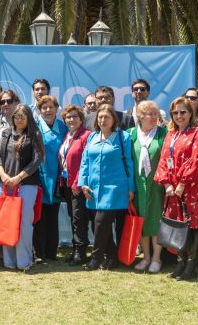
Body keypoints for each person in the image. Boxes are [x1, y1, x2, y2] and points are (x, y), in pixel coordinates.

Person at [154, 97, 198, 280]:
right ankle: (180, 263)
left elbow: (196, 159)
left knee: (193, 226)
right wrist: (168, 184)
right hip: (172, 190)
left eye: (183, 112)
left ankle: (191, 266)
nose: (179, 116)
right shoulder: (170, 134)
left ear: (190, 113)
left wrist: (183, 183)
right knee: (177, 226)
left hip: (191, 188)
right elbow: (163, 161)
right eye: (175, 113)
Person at [78, 104, 135, 270]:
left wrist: (130, 188)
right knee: (101, 224)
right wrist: (83, 184)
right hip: (94, 188)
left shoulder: (122, 137)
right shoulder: (91, 137)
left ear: (113, 120)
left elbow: (129, 164)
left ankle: (95, 258)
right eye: (100, 117)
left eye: (107, 117)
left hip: (115, 188)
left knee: (100, 222)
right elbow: (85, 162)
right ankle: (112, 257)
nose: (103, 120)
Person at [0, 104, 44, 271]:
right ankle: (9, 261)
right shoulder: (6, 133)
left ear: (28, 117)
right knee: (7, 222)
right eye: (17, 116)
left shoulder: (34, 135)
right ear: (12, 118)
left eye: (23, 116)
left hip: (26, 186)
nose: (19, 119)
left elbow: (36, 161)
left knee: (23, 224)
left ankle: (24, 261)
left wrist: (18, 177)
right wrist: (4, 176)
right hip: (5, 185)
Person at [129, 100, 166, 272]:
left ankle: (157, 259)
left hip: (157, 185)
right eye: (149, 114)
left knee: (156, 221)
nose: (153, 117)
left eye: (155, 114)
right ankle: (146, 257)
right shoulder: (130, 135)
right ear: (140, 116)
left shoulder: (163, 134)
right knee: (141, 221)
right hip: (137, 186)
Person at [33, 95, 67, 262]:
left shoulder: (64, 127)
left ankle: (51, 252)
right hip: (39, 176)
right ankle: (38, 253)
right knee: (38, 217)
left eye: (51, 107)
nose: (47, 110)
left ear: (56, 108)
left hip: (57, 179)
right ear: (40, 110)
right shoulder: (34, 126)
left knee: (52, 218)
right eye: (44, 108)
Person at [59, 104, 92, 266]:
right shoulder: (68, 135)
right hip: (66, 182)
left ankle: (81, 252)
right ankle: (75, 250)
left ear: (81, 118)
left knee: (79, 218)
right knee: (73, 218)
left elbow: (87, 161)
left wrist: (78, 182)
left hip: (77, 185)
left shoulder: (86, 135)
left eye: (74, 116)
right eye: (68, 117)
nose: (71, 119)